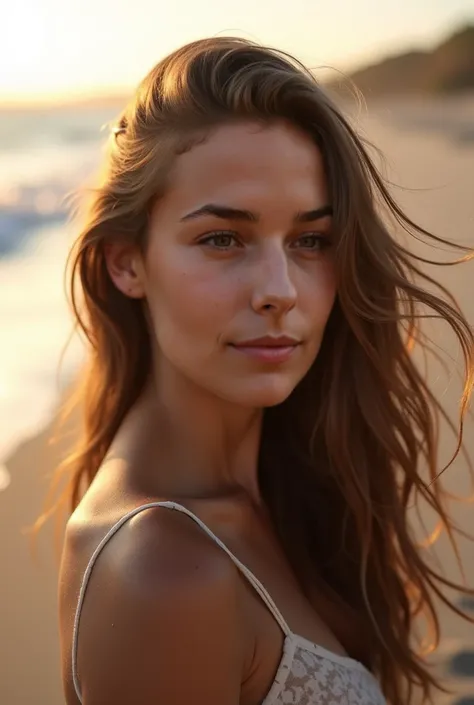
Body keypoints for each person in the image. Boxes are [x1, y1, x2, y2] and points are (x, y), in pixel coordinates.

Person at [48, 37, 473, 705]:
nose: (280, 289)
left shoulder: (287, 480)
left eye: (310, 240)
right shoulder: (162, 571)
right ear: (125, 262)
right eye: (222, 238)